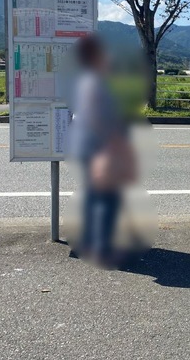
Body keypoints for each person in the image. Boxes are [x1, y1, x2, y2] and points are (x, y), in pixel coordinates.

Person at [67, 33, 136, 267]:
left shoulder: (87, 80)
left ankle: (88, 242)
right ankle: (102, 247)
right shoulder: (96, 82)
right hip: (99, 149)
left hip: (88, 147)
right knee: (109, 197)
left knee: (94, 195)